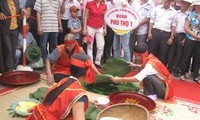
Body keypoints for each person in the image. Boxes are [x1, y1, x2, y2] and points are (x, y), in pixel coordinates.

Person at [27, 52, 96, 120]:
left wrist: (90, 100)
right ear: (87, 72)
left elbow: (63, 97)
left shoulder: (65, 80)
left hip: (38, 114)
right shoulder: (79, 96)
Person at [167, 0, 192, 76]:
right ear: (181, 4)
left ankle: (176, 69)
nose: (184, 5)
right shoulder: (176, 13)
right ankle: (169, 67)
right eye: (183, 3)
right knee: (171, 51)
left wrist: (186, 38)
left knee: (179, 53)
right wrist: (172, 34)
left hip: (184, 35)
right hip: (175, 33)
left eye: (186, 4)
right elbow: (173, 23)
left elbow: (190, 27)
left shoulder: (189, 15)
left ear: (188, 5)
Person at [148, 0, 176, 65]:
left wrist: (171, 37)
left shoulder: (174, 12)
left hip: (166, 34)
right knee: (151, 51)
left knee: (163, 53)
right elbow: (151, 21)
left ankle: (160, 70)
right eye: (165, 1)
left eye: (168, 2)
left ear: (171, 2)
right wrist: (149, 32)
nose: (166, 3)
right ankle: (149, 67)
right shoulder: (156, 9)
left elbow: (173, 25)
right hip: (155, 32)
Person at [0, 0, 25, 72]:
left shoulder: (16, 1)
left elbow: (18, 11)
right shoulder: (1, 2)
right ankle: (8, 70)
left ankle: (13, 67)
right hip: (5, 29)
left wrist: (22, 10)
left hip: (15, 29)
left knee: (13, 50)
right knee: (8, 49)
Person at [180, 0, 200, 83]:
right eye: (197, 6)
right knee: (186, 57)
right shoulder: (190, 15)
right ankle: (182, 73)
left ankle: (195, 75)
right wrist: (195, 36)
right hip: (190, 38)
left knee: (197, 58)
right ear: (194, 6)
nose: (198, 7)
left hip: (199, 40)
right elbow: (186, 28)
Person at [83, 0, 107, 66]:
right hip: (90, 26)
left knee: (100, 46)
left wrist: (105, 28)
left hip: (100, 26)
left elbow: (104, 17)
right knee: (90, 45)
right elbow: (86, 16)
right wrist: (84, 28)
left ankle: (97, 62)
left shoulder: (104, 5)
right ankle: (91, 62)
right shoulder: (89, 4)